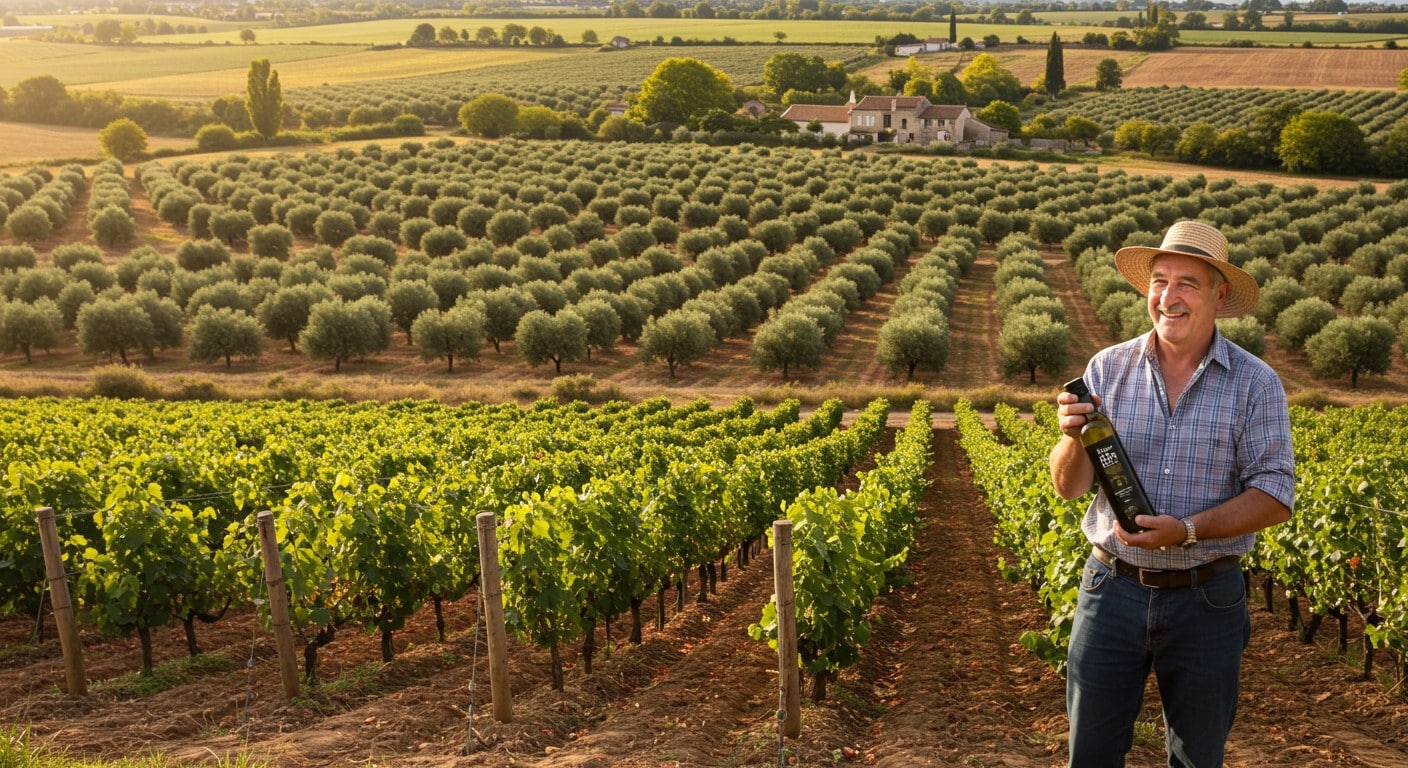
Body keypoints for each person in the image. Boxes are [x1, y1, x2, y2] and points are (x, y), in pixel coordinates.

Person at [1048, 219, 1296, 767]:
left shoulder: (1255, 383)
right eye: (1160, 280)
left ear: (1219, 294)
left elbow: (1276, 494)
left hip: (1207, 598)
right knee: (1089, 754)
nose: (1169, 297)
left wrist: (1186, 531)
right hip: (1111, 589)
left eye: (1187, 282)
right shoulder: (1106, 368)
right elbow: (1069, 488)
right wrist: (1070, 440)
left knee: (1196, 759)